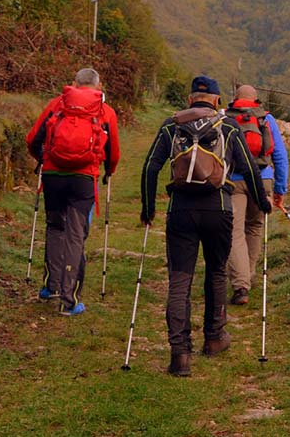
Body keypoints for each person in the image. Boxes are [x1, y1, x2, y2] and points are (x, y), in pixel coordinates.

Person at [140, 76, 271, 377]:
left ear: (190, 99)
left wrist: (148, 208)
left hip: (180, 211)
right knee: (215, 271)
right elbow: (250, 168)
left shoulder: (171, 126)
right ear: (215, 100)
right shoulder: (227, 127)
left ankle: (180, 355)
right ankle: (214, 338)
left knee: (180, 280)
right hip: (219, 208)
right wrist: (262, 203)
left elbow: (150, 167)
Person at [26, 68, 120, 316]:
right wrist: (108, 171)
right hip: (83, 177)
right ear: (99, 86)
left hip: (53, 176)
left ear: (74, 84)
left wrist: (44, 159)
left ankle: (50, 286)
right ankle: (70, 301)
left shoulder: (57, 105)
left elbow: (33, 139)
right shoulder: (105, 111)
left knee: (55, 227)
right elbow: (113, 151)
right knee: (75, 235)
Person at [225, 85, 289, 305]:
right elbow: (280, 155)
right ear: (256, 100)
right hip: (262, 178)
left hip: (233, 179)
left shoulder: (226, 117)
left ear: (235, 99)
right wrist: (280, 189)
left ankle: (240, 285)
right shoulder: (266, 119)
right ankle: (248, 275)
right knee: (254, 227)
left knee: (234, 232)